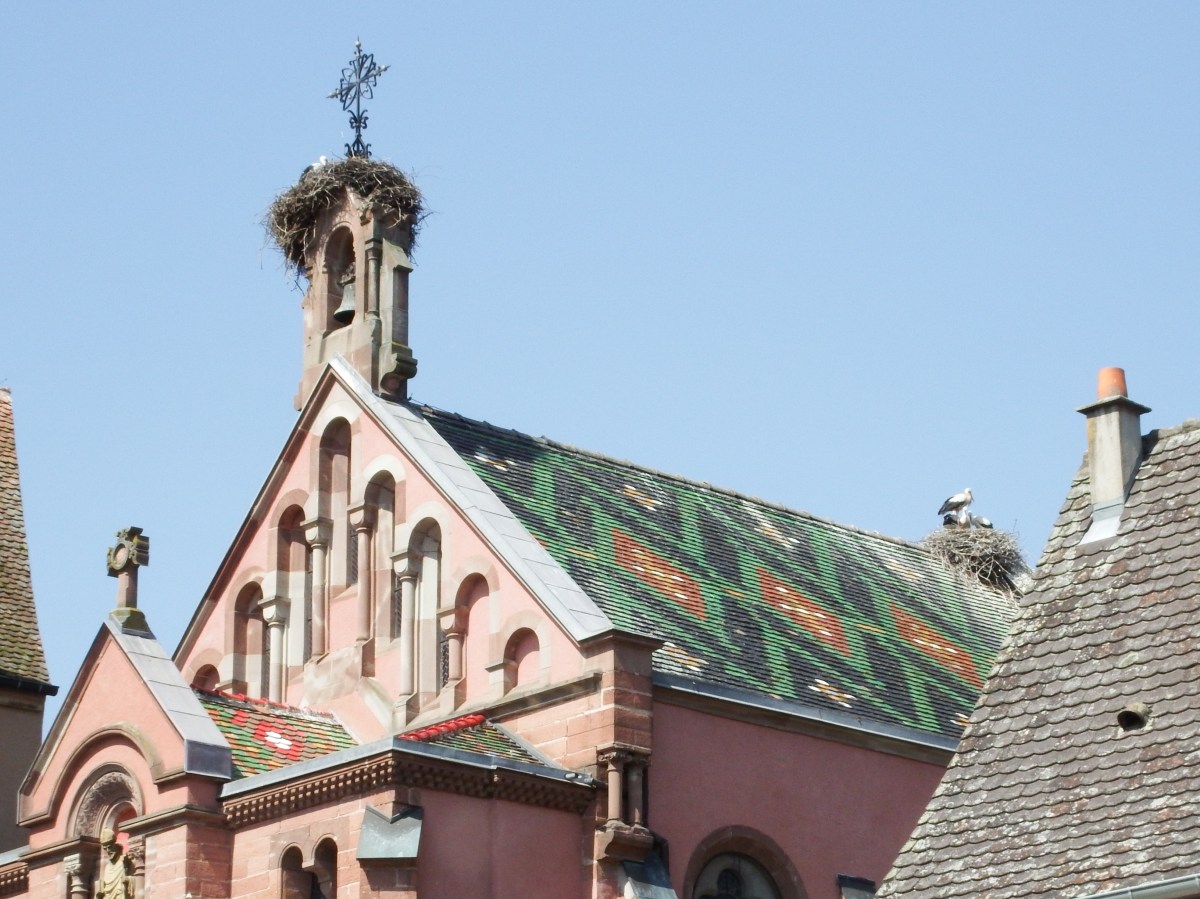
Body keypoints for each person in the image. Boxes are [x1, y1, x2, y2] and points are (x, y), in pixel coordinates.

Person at [95, 828, 132, 899]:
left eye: (110, 847)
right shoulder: (107, 867)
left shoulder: (125, 861)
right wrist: (100, 889)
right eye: (105, 849)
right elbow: (105, 890)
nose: (108, 851)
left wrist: (128, 879)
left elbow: (137, 879)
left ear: (115, 845)